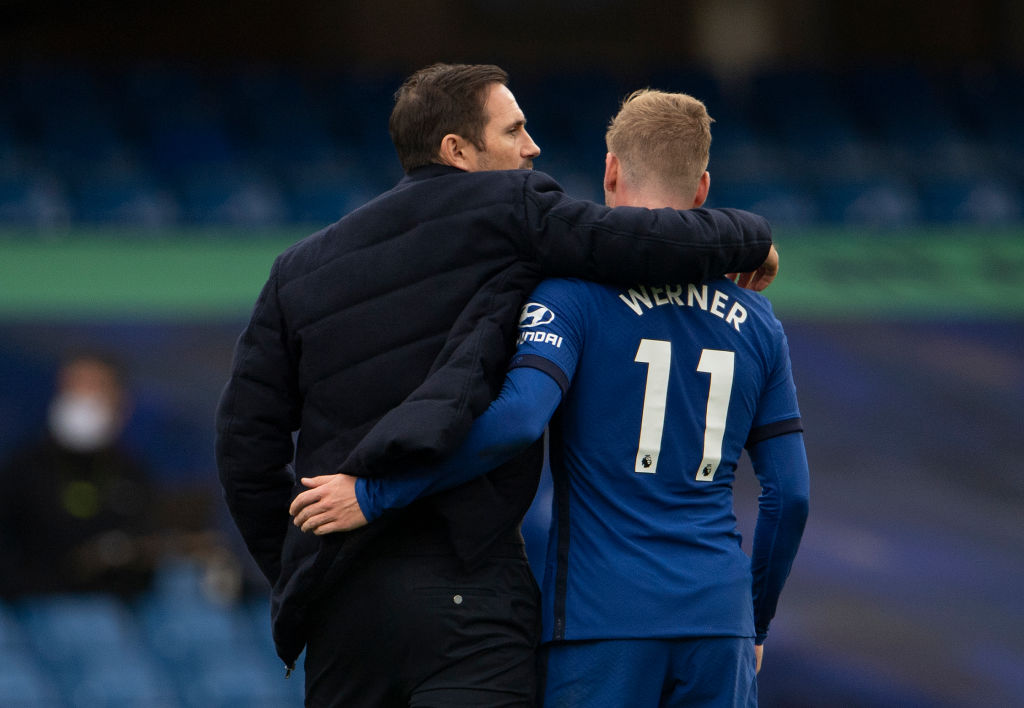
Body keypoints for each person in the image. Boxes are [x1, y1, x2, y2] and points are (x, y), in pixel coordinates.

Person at [217, 64, 778, 707]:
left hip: (346, 608)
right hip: (471, 596)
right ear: (457, 150)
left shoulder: (296, 270)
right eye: (513, 131)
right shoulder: (508, 208)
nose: (532, 147)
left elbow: (244, 451)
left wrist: (308, 563)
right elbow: (638, 238)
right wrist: (750, 237)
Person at [0, 351, 159, 599]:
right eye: (73, 387)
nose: (83, 398)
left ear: (121, 401)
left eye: (95, 387)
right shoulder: (22, 468)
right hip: (32, 605)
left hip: (115, 610)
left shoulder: (134, 472)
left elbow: (147, 550)